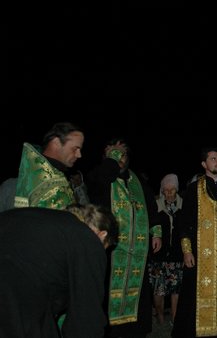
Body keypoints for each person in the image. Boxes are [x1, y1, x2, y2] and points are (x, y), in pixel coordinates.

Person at [0, 203, 118, 338]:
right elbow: (86, 316)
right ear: (102, 235)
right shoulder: (88, 240)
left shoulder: (40, 218)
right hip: (12, 304)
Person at [86, 138, 163, 338]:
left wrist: (156, 232)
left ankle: (135, 330)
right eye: (114, 154)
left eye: (123, 154)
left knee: (138, 291)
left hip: (137, 250)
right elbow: (99, 184)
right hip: (110, 249)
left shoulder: (138, 181)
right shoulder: (100, 176)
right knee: (107, 290)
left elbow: (151, 207)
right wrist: (111, 158)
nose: (120, 158)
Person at [172, 146, 217, 338]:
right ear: (204, 164)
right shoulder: (193, 190)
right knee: (193, 294)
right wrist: (187, 251)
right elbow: (184, 223)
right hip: (199, 254)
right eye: (213, 158)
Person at [14, 121, 84, 209]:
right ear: (56, 143)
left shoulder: (56, 177)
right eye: (75, 149)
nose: (79, 155)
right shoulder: (44, 184)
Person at [148, 173, 184, 326]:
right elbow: (149, 224)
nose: (169, 193)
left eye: (172, 189)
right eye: (166, 190)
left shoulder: (184, 205)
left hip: (177, 255)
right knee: (159, 290)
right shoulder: (155, 204)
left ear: (177, 189)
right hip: (158, 255)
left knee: (176, 290)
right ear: (162, 190)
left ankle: (175, 319)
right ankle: (160, 317)